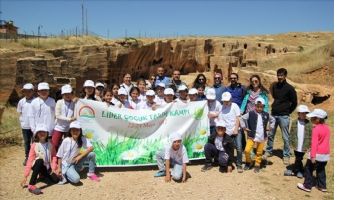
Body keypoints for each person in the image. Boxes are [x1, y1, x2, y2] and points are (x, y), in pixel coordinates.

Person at [265, 68, 298, 165]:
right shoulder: (274, 86)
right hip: (274, 114)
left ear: (285, 76)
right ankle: (269, 151)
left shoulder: (290, 88)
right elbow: (275, 97)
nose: (279, 77)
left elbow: (294, 103)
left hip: (284, 116)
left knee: (285, 137)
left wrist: (287, 111)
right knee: (270, 134)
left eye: (281, 75)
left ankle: (286, 155)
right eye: (278, 75)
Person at [297, 109, 330, 193]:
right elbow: (324, 142)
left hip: (316, 155)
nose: (310, 119)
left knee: (308, 169)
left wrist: (312, 156)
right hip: (325, 155)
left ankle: (307, 186)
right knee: (321, 170)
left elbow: (314, 143)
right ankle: (322, 186)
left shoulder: (315, 129)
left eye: (312, 118)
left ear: (317, 119)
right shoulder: (327, 128)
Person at [21, 124, 59, 195]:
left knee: (56, 180)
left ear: (47, 133)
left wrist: (54, 167)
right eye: (40, 132)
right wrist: (25, 176)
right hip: (38, 164)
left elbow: (54, 156)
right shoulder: (34, 145)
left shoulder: (51, 144)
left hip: (47, 167)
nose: (42, 133)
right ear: (37, 134)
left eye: (44, 132)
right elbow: (30, 160)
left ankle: (42, 174)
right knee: (40, 160)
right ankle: (31, 185)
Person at [240, 97, 275, 173]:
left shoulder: (266, 114)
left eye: (261, 107)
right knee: (247, 150)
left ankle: (257, 164)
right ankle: (248, 162)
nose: (259, 108)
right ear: (255, 106)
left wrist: (271, 127)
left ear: (263, 107)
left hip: (261, 136)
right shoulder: (250, 113)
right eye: (257, 106)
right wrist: (244, 127)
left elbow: (273, 120)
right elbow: (242, 118)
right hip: (251, 136)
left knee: (259, 152)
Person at [284, 105, 312, 178]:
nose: (303, 115)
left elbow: (310, 134)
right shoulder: (294, 122)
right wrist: (290, 143)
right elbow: (292, 133)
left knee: (299, 157)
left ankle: (296, 170)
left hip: (304, 144)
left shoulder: (309, 123)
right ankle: (300, 170)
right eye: (302, 113)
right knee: (298, 157)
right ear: (298, 113)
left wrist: (310, 145)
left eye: (305, 113)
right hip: (296, 143)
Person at [217, 91, 242, 172]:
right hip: (226, 132)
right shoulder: (221, 108)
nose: (226, 102)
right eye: (224, 101)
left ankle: (239, 164)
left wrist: (236, 129)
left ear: (231, 99)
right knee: (228, 149)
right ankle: (228, 163)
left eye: (227, 100)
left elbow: (238, 118)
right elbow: (220, 120)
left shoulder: (235, 106)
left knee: (238, 147)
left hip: (236, 130)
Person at [52, 84, 76, 152]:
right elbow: (57, 115)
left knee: (68, 146)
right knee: (54, 144)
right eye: (65, 94)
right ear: (62, 95)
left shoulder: (74, 103)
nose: (68, 95)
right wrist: (69, 119)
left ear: (72, 94)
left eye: (69, 93)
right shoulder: (59, 102)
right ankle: (54, 159)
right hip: (59, 127)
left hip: (69, 128)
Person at [17, 83, 35, 165]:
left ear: (32, 92)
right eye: (25, 91)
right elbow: (20, 113)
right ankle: (27, 157)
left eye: (29, 91)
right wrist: (22, 122)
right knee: (27, 142)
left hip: (34, 126)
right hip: (25, 126)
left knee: (35, 142)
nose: (27, 93)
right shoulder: (21, 102)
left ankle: (35, 157)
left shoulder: (36, 101)